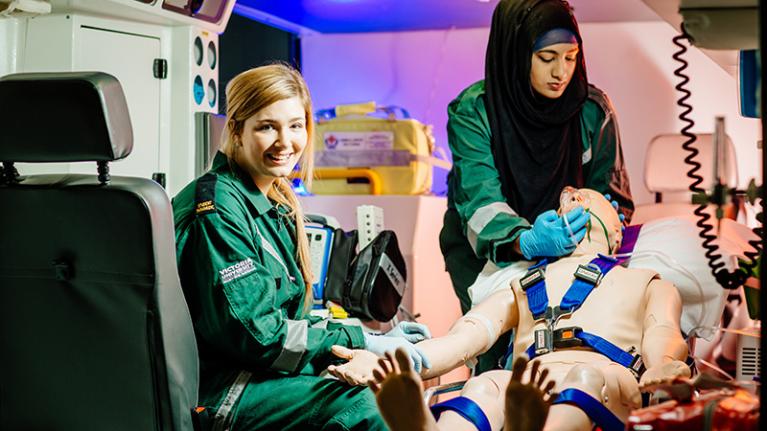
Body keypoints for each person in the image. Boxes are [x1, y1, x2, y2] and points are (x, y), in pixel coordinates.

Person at [172, 63, 429, 430]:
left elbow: (288, 318)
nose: (285, 142)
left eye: (295, 126)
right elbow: (258, 335)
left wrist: (369, 336)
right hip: (227, 389)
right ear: (236, 129)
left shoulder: (272, 202)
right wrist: (359, 343)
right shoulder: (218, 210)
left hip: (259, 373)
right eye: (266, 127)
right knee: (368, 406)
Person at [329, 189, 691, 431]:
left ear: (617, 233)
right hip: (527, 379)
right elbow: (463, 339)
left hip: (603, 374)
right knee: (485, 384)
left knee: (585, 379)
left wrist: (663, 366)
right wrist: (397, 362)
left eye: (585, 198)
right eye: (567, 198)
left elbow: (663, 333)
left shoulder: (646, 280)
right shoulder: (523, 284)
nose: (569, 196)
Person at [439, 0, 634, 372]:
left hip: (573, 255)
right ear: (516, 52)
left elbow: (613, 196)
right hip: (486, 257)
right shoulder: (474, 110)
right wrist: (526, 240)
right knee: (498, 360)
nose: (561, 72)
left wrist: (607, 219)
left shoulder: (592, 110)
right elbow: (480, 204)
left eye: (571, 57)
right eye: (546, 58)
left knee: (572, 356)